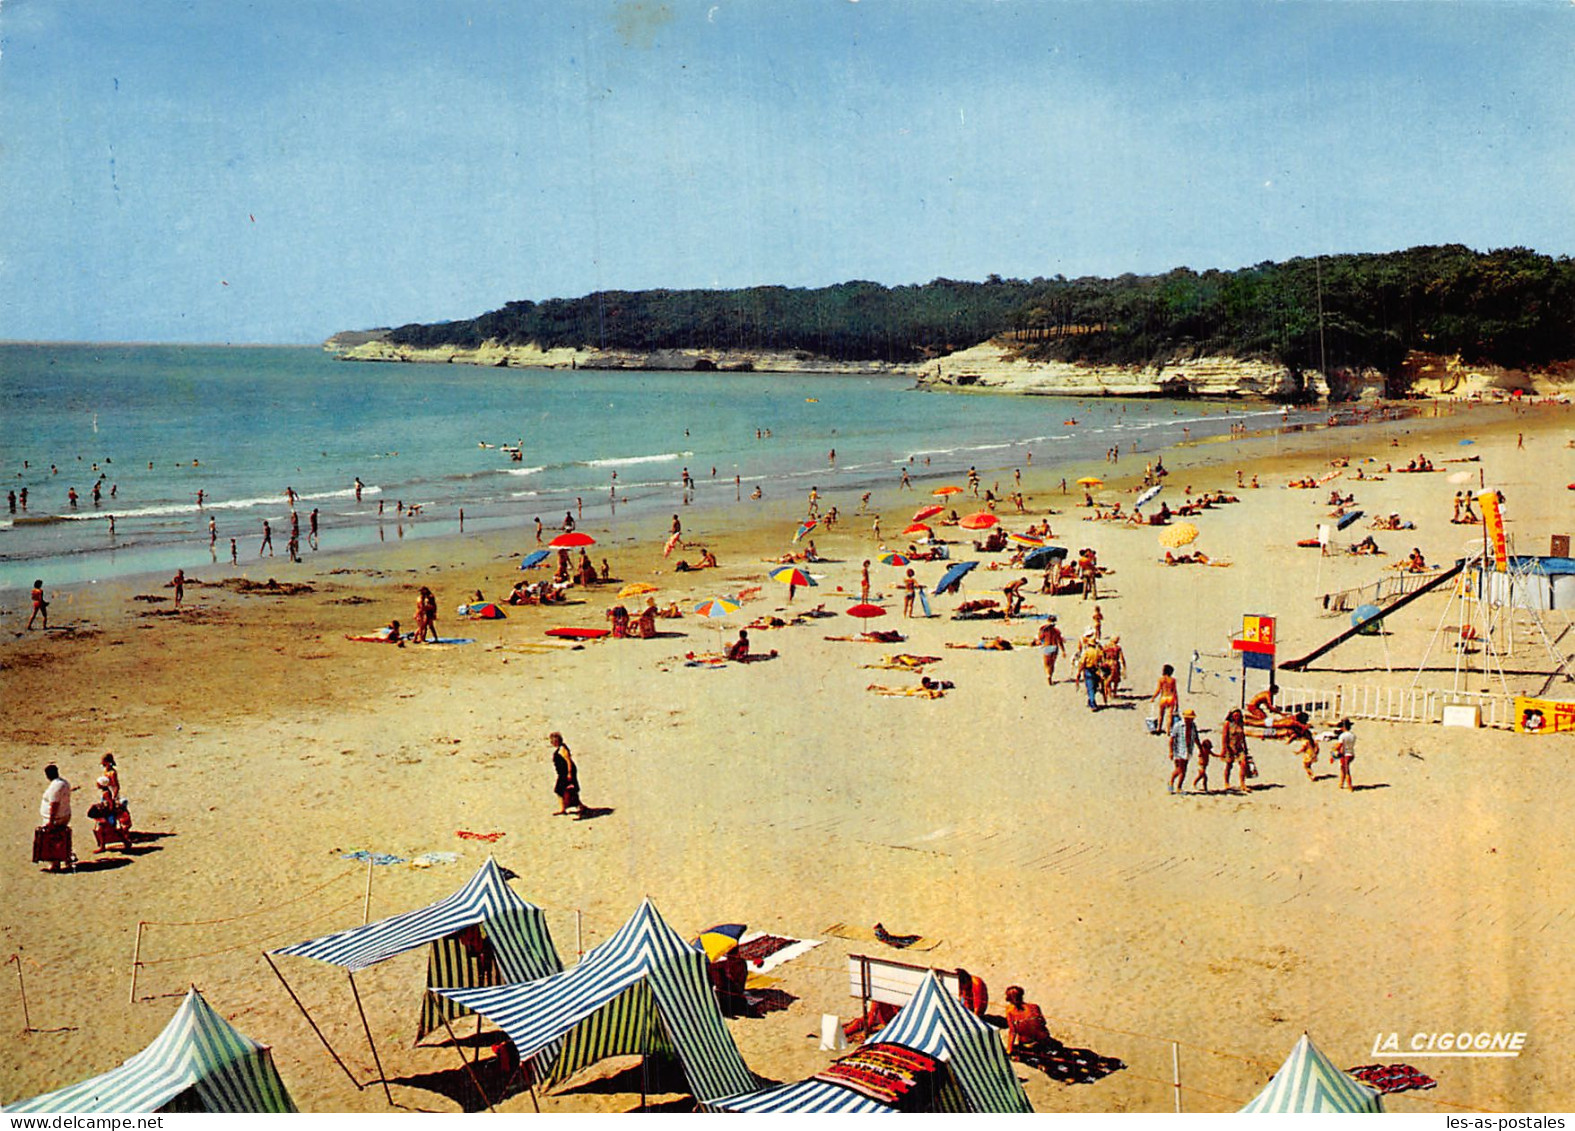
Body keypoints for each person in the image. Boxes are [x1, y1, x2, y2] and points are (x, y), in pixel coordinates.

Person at [35, 764, 72, 872]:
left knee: (52, 840)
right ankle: (66, 858)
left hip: (56, 817)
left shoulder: (55, 787)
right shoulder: (64, 783)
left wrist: (51, 820)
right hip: (64, 814)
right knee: (62, 838)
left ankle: (55, 864)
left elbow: (54, 804)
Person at [1002, 986, 1053, 1058]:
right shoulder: (1035, 1007)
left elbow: (1013, 1032)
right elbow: (1043, 1022)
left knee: (1017, 1046)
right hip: (1044, 1040)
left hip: (1028, 1044)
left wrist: (1009, 1049)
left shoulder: (1010, 1011)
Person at [549, 733, 585, 818]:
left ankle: (572, 808)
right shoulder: (560, 748)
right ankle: (567, 808)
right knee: (564, 790)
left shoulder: (562, 749)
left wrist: (569, 773)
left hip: (566, 773)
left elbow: (569, 761)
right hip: (562, 773)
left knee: (563, 790)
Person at [1220, 708, 1250, 793]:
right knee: (1229, 766)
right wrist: (1224, 749)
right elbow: (1224, 737)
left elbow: (1243, 736)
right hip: (1230, 747)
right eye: (1235, 715)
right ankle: (1226, 783)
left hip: (1239, 748)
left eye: (1238, 715)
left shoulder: (1240, 724)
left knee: (1243, 764)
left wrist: (1246, 747)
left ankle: (1242, 784)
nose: (1236, 716)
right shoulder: (1227, 724)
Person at [1169, 710, 1199, 794]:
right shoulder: (1178, 725)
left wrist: (1200, 748)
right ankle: (1171, 783)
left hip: (1188, 749)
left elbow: (1196, 737)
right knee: (1180, 769)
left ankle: (1178, 787)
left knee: (1183, 770)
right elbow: (1172, 739)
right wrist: (1171, 751)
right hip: (1178, 749)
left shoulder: (1193, 726)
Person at [1074, 635, 1104, 711]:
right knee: (1094, 686)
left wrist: (1079, 672)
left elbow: (1082, 662)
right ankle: (1091, 700)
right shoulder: (1098, 651)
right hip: (1096, 670)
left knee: (1090, 687)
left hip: (1088, 669)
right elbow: (1102, 660)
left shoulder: (1087, 652)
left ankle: (1092, 703)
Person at [1035, 615, 1066, 685]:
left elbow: (1040, 638)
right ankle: (1050, 676)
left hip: (1047, 646)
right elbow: (1060, 641)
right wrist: (1063, 651)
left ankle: (1048, 675)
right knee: (1052, 664)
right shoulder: (1056, 631)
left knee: (1046, 664)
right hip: (1055, 647)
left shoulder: (1044, 629)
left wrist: (1039, 641)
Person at [1152, 664, 1180, 735]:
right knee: (1169, 715)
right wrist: (1177, 703)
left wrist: (1153, 697)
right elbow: (1174, 691)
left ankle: (1159, 728)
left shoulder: (1161, 680)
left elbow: (1158, 690)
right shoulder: (1173, 680)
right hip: (1170, 697)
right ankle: (1168, 730)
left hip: (1163, 697)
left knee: (1161, 714)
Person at [1330, 718, 1356, 791]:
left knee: (1346, 770)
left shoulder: (1343, 736)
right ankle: (1341, 783)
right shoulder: (1352, 735)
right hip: (1351, 753)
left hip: (1345, 754)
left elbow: (1339, 745)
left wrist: (1333, 750)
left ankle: (1350, 786)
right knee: (1343, 768)